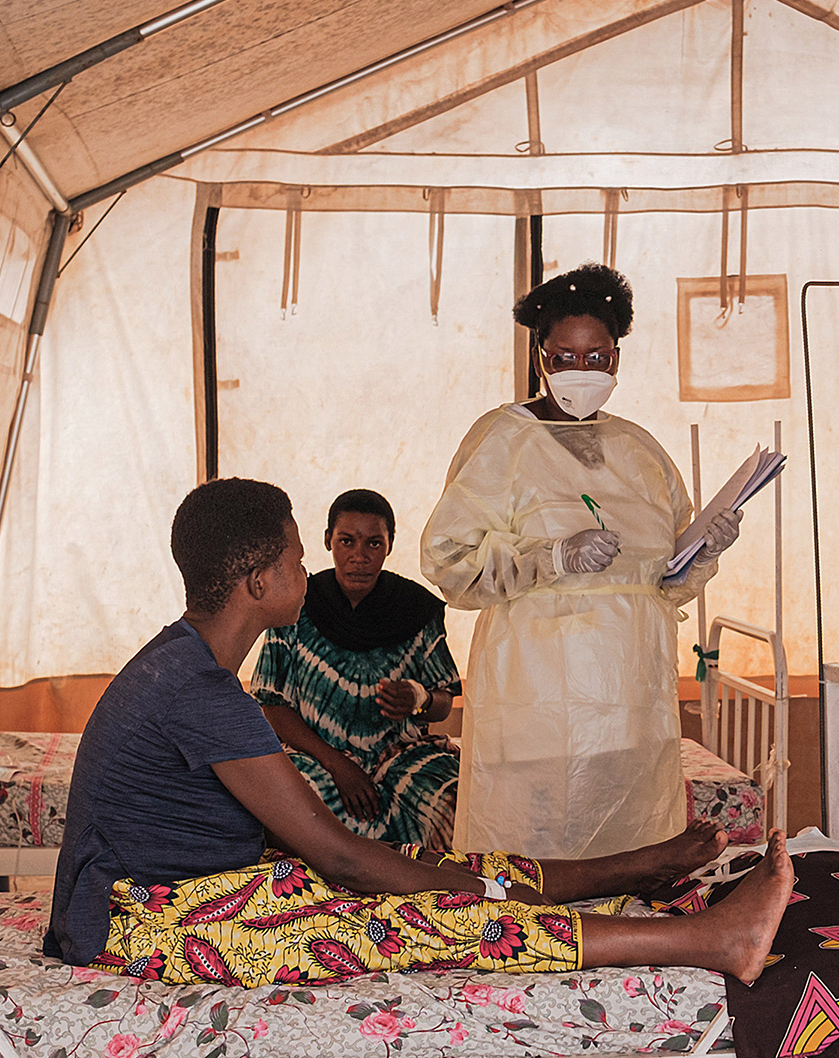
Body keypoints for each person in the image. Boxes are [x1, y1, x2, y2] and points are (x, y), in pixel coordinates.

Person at [43, 478, 789, 994]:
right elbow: (335, 852)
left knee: (428, 863)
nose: (311, 571)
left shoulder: (184, 667)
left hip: (182, 891)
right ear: (259, 583)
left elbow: (332, 846)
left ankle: (624, 870)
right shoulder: (202, 693)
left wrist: (452, 875)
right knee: (423, 917)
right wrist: (460, 893)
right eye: (299, 558)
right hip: (139, 923)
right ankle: (706, 942)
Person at [423, 264, 740, 861]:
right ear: (541, 358)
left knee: (633, 855)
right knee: (534, 865)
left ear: (616, 359)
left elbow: (662, 585)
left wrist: (704, 550)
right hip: (538, 702)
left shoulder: (641, 451)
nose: (581, 370)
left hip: (632, 703)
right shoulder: (502, 440)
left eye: (597, 357)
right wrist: (553, 558)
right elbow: (449, 562)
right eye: (565, 356)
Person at [253, 489, 462, 847]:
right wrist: (339, 765)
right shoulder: (296, 607)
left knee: (450, 793)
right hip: (315, 755)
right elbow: (271, 705)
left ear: (390, 545)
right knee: (296, 801)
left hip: (400, 755)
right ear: (328, 541)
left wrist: (419, 697)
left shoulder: (416, 609)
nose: (360, 557)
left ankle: (432, 885)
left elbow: (444, 701)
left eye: (374, 544)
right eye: (347, 542)